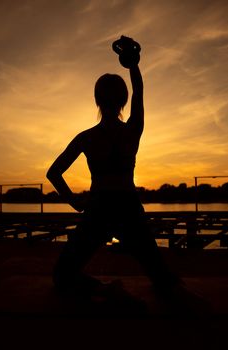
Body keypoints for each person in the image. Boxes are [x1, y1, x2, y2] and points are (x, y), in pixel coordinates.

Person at [46, 36, 180, 297]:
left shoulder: (86, 137)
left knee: (62, 276)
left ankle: (104, 291)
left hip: (98, 207)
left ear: (96, 100)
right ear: (124, 101)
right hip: (128, 206)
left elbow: (54, 173)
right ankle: (109, 291)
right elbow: (140, 92)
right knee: (163, 279)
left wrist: (74, 201)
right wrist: (132, 65)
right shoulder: (132, 130)